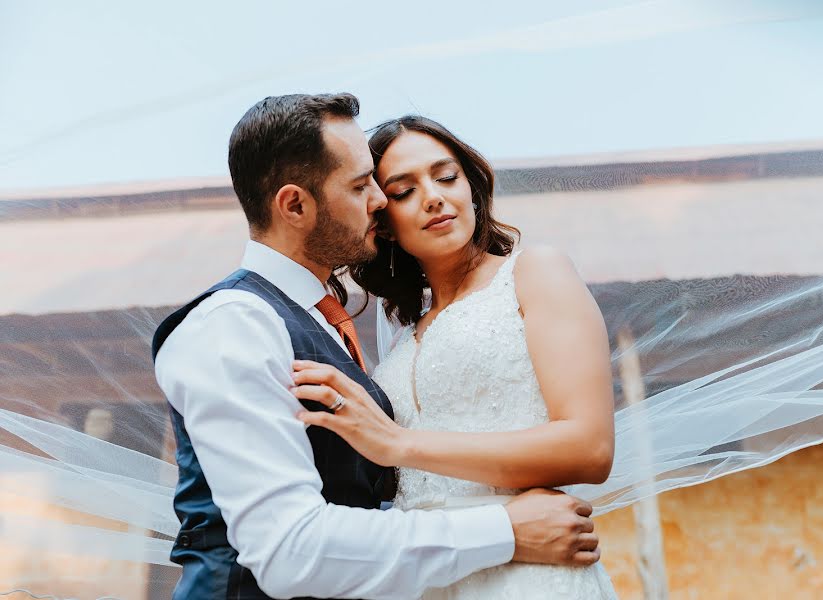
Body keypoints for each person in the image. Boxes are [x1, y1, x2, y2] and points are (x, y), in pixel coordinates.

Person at [152, 94, 602, 600]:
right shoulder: (233, 324)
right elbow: (289, 549)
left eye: (446, 176)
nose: (380, 203)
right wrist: (503, 530)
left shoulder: (321, 323)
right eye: (366, 186)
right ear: (295, 205)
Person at [290, 115, 618, 598]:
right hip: (429, 576)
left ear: (472, 187)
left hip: (531, 571)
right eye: (403, 191)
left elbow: (590, 448)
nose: (434, 197)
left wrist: (398, 445)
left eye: (446, 177)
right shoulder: (404, 337)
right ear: (382, 219)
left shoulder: (534, 273)